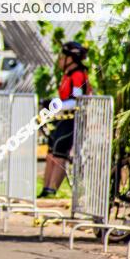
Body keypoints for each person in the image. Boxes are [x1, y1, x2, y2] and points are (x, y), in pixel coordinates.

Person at [39, 41, 91, 198]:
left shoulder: (77, 75)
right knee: (51, 153)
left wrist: (55, 105)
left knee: (59, 154)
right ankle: (45, 189)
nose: (60, 60)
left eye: (63, 56)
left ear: (71, 59)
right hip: (62, 118)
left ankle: (51, 190)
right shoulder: (67, 75)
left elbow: (77, 99)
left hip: (71, 120)